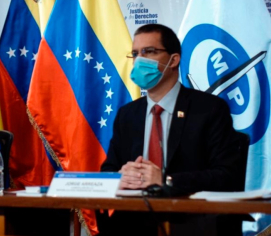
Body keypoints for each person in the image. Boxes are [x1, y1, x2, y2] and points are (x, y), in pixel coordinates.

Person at [97, 24, 242, 235]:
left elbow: (227, 176)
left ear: (173, 60)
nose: (140, 60)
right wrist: (120, 177)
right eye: (136, 54)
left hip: (192, 220)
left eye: (149, 52)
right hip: (135, 221)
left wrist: (166, 180)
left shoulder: (209, 110)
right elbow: (108, 170)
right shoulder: (128, 115)